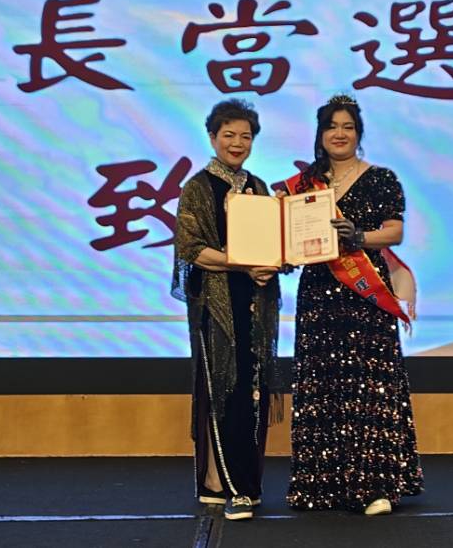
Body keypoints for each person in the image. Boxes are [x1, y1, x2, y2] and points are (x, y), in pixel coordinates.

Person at [281, 94, 424, 515]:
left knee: (368, 383)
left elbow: (394, 232)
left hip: (364, 294)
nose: (339, 134)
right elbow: (287, 235)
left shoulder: (381, 178)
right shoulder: (304, 183)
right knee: (322, 382)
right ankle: (320, 486)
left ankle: (374, 486)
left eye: (347, 126)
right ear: (320, 133)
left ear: (358, 134)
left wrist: (358, 237)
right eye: (331, 126)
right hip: (318, 291)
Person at [172, 98, 281, 521]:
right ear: (212, 137)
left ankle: (242, 483)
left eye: (246, 136)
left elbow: (271, 245)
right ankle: (224, 484)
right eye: (229, 135)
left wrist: (273, 264)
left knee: (251, 393)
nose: (237, 143)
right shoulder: (198, 187)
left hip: (255, 305)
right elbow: (191, 249)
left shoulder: (259, 187)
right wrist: (242, 264)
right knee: (222, 391)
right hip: (216, 305)